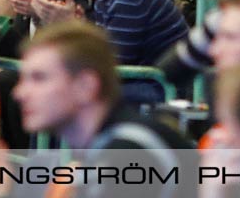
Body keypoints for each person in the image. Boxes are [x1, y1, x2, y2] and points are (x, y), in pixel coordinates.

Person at [13, 22, 190, 182]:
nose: (19, 93)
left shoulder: (127, 152)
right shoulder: (106, 146)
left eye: (39, 78)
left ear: (85, 86)